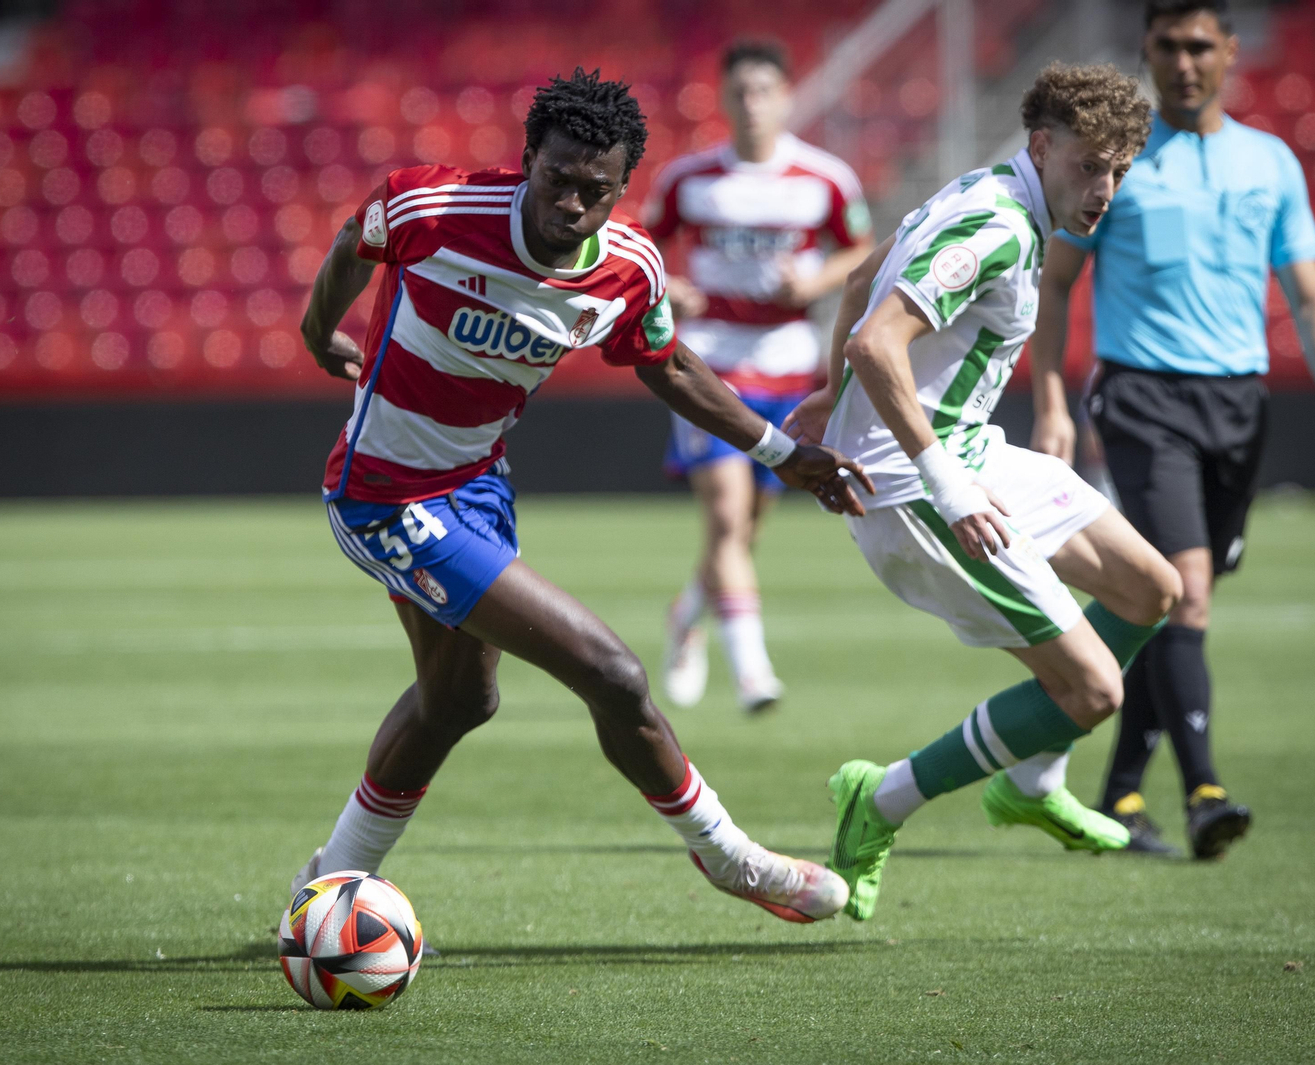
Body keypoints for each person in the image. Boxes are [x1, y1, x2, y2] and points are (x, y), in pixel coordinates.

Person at [290, 69, 873, 928]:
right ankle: (730, 855)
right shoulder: (432, 212)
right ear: (528, 160)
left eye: (594, 191)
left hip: (476, 489)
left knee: (459, 701)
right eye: (557, 179)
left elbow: (669, 366)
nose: (571, 204)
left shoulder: (628, 269)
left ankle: (326, 886)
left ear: (620, 189)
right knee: (613, 671)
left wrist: (783, 452)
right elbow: (352, 245)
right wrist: (317, 332)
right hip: (383, 495)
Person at [785, 63, 1181, 921]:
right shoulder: (998, 227)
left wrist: (825, 398)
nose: (1105, 188)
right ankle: (880, 798)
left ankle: (1032, 779)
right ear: (1043, 147)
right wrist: (947, 485)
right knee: (1094, 692)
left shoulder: (990, 187)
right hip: (914, 488)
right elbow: (877, 345)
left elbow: (860, 285)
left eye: (1118, 168)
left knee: (1152, 588)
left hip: (970, 449)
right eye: (1089, 166)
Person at [1029, 0, 1315, 859]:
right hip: (1142, 399)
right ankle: (1207, 791)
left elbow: (1310, 287)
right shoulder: (1121, 163)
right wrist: (1054, 400)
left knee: (1167, 609)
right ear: (1146, 50)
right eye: (1168, 47)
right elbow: (1057, 281)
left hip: (1238, 407)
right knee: (1189, 590)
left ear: (1228, 53)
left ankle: (1119, 793)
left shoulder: (1270, 162)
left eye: (1199, 46)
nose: (1183, 62)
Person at [644, 40, 875, 713]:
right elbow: (642, 245)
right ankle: (753, 672)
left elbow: (857, 249)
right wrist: (670, 289)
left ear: (786, 96)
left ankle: (686, 613)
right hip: (710, 362)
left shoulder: (824, 178)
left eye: (764, 90)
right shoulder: (690, 178)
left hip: (788, 361)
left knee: (745, 527)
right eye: (740, 91)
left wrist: (815, 277)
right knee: (724, 516)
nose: (752, 104)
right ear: (723, 98)